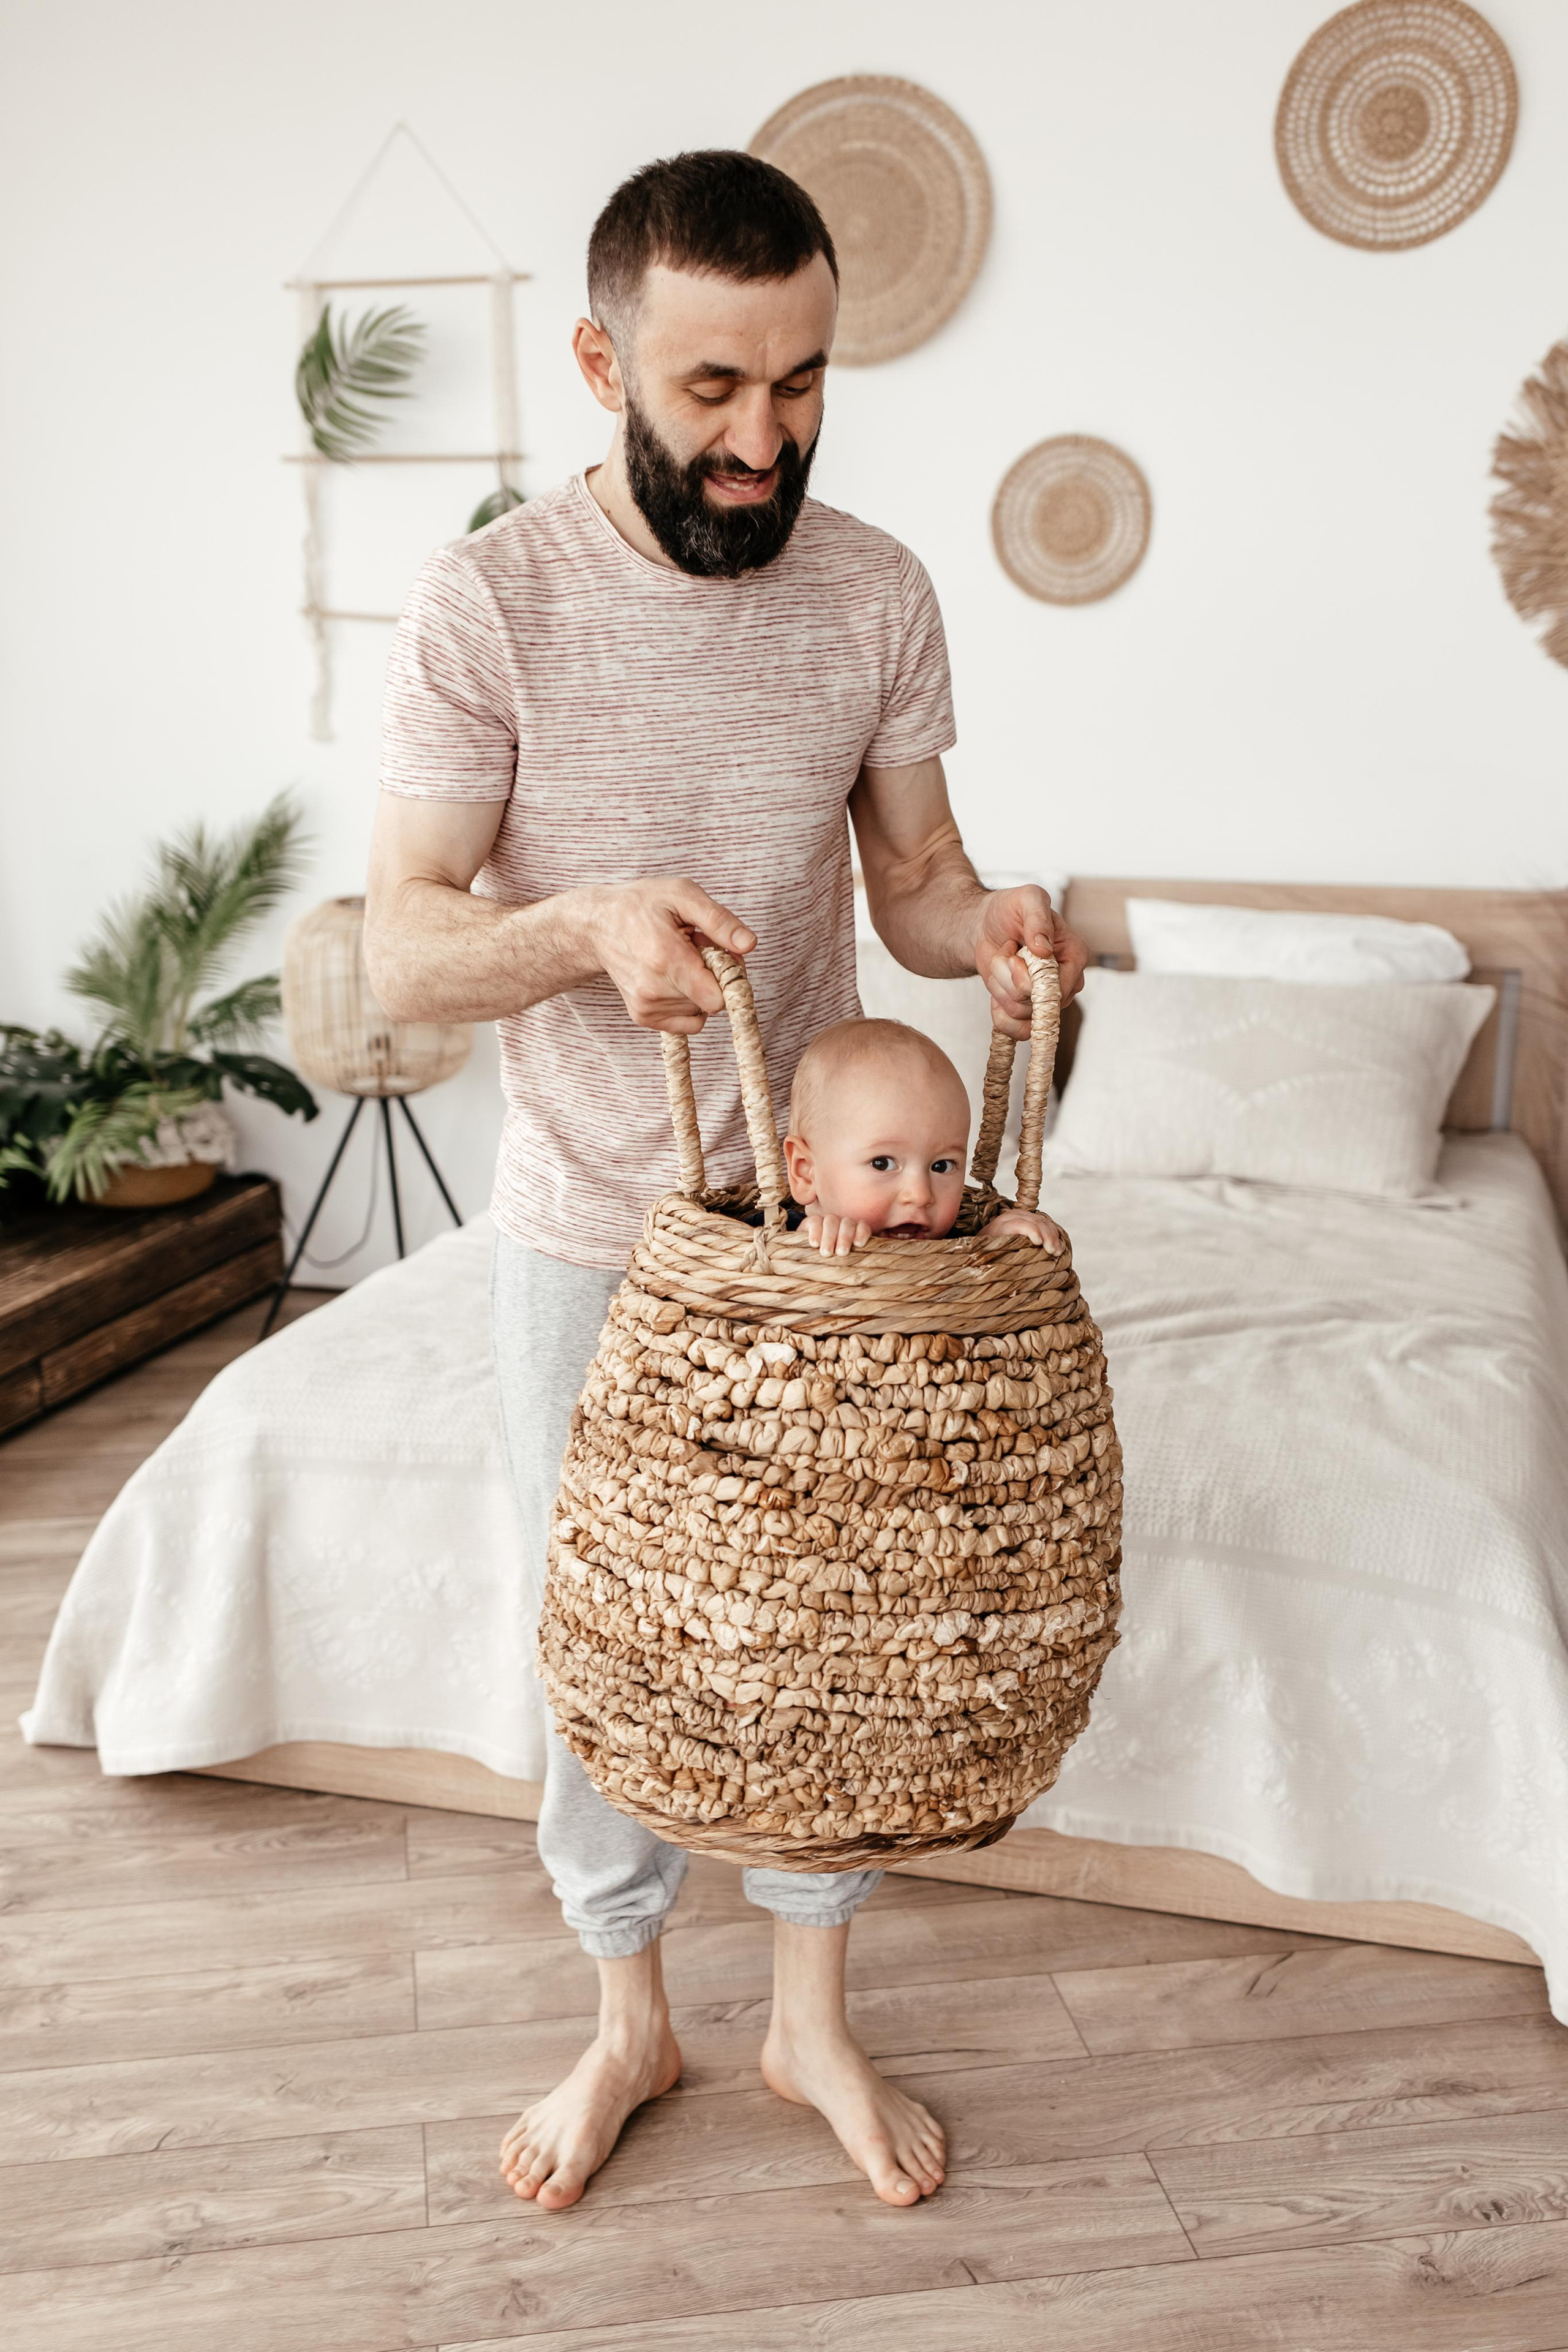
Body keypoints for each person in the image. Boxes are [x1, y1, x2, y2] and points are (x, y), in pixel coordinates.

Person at [364, 146, 1087, 2214]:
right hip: (588, 1233)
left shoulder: (877, 592)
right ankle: (629, 2018)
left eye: (802, 382)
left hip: (821, 1244)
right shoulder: (488, 603)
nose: (764, 436)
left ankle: (808, 2024)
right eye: (711, 388)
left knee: (826, 1640)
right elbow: (401, 947)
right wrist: (581, 927)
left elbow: (918, 876)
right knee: (607, 1648)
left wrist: (988, 928)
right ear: (605, 363)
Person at [784, 1016, 1063, 1256]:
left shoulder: (943, 1241)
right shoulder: (775, 1236)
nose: (920, 1195)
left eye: (941, 1166)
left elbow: (960, 1275)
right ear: (806, 1172)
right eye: (882, 1163)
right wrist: (803, 1243)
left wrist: (989, 1243)